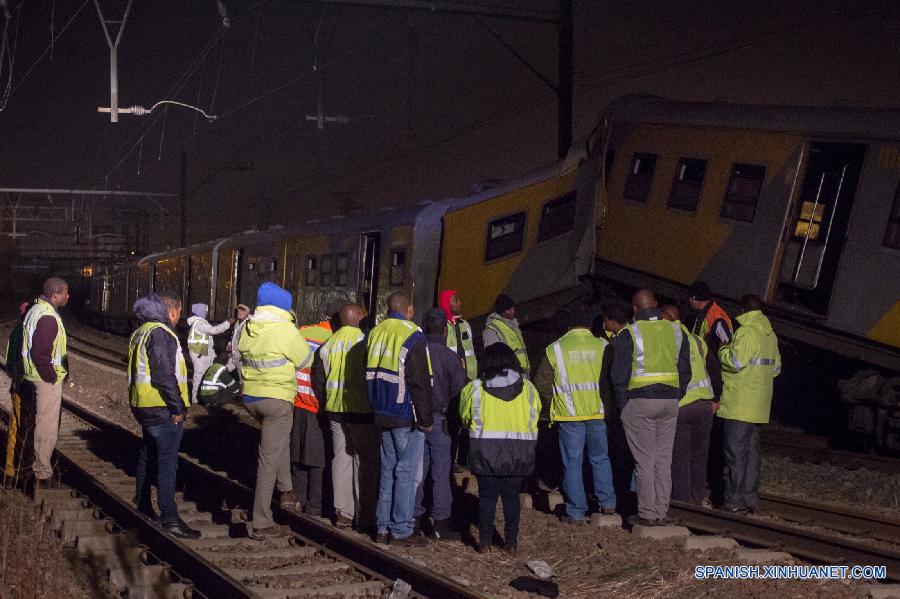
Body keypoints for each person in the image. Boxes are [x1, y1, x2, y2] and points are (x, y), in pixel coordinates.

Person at [238, 282, 312, 540]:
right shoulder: (286, 329)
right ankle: (261, 521)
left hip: (251, 398)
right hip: (277, 400)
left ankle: (286, 493)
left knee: (278, 442)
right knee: (267, 460)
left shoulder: (248, 326)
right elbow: (306, 359)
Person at [611, 289, 690, 526]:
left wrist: (623, 406)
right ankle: (661, 512)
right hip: (670, 401)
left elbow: (618, 376)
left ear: (635, 309)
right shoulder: (676, 331)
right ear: (656, 304)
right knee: (663, 459)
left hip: (640, 402)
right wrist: (677, 394)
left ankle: (646, 514)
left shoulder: (630, 333)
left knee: (644, 461)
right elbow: (685, 369)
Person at [128, 292, 200, 539]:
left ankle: (143, 504)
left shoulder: (141, 331)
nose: (178, 317)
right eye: (178, 312)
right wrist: (178, 408)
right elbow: (163, 376)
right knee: (167, 463)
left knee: (147, 454)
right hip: (161, 407)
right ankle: (169, 518)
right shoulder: (160, 333)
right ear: (171, 311)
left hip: (143, 404)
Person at [534, 308, 616, 523]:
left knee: (572, 462)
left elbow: (541, 383)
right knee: (600, 458)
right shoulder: (603, 345)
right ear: (588, 325)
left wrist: (554, 405)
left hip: (569, 416)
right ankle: (608, 504)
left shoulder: (556, 348)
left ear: (569, 326)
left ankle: (576, 511)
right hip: (597, 413)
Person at [367, 291, 434, 547]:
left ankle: (382, 528)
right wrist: (426, 419)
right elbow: (419, 382)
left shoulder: (375, 333)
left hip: (381, 412)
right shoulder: (413, 335)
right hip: (405, 414)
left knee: (387, 471)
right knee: (405, 472)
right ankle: (402, 530)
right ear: (409, 309)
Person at [459, 344, 538, 554]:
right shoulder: (529, 389)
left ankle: (484, 542)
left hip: (485, 452)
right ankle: (511, 543)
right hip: (519, 453)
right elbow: (535, 415)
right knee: (512, 498)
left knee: (486, 498)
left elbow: (465, 416)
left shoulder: (475, 389)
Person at [312, 304, 380, 530]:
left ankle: (343, 514)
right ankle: (365, 515)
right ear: (358, 317)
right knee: (364, 462)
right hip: (362, 412)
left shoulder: (327, 345)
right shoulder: (366, 341)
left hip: (334, 411)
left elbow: (318, 380)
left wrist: (325, 406)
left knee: (341, 459)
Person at [718, 294, 781, 514]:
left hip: (740, 404)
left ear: (743, 310)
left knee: (735, 454)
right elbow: (776, 369)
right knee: (752, 456)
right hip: (759, 406)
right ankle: (749, 499)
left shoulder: (746, 332)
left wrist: (723, 349)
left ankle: (734, 502)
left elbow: (735, 362)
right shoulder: (770, 335)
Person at [414, 308, 467, 539]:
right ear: (445, 331)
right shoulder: (450, 357)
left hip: (416, 419)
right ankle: (441, 522)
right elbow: (458, 392)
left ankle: (413, 517)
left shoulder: (415, 352)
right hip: (440, 420)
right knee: (442, 473)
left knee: (416, 471)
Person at [290, 301, 344, 517]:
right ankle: (314, 506)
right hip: (318, 405)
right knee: (319, 458)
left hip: (296, 400)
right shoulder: (334, 339)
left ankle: (297, 499)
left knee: (297, 454)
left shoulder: (303, 331)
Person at [661, 305, 714, 506]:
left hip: (683, 406)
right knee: (699, 456)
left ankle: (683, 502)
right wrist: (715, 398)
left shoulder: (667, 341)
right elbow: (713, 369)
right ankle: (697, 498)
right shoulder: (697, 340)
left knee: (680, 456)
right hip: (704, 405)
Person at [21, 277, 69, 489]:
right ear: (55, 295)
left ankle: (36, 467)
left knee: (40, 423)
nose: (68, 296)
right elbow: (40, 353)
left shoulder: (36, 310)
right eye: (65, 292)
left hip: (33, 376)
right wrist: (52, 377)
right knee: (46, 428)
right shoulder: (48, 316)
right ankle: (42, 473)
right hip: (45, 380)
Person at [4, 302, 31, 486]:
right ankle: (26, 471)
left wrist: (17, 378)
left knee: (15, 428)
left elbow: (9, 364)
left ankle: (11, 471)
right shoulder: (37, 331)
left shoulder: (16, 332)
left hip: (20, 387)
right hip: (33, 388)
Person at [187, 303, 233, 404]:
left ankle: (201, 397)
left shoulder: (199, 322)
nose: (206, 312)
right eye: (205, 310)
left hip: (201, 354)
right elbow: (214, 330)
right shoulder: (200, 323)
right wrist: (227, 323)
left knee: (202, 377)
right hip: (200, 355)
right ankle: (195, 399)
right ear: (200, 311)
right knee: (199, 377)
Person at [483, 294, 530, 376]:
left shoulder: (514, 326)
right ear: (502, 311)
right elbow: (493, 359)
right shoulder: (492, 330)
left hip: (523, 374)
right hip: (510, 376)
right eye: (509, 309)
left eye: (513, 308)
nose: (513, 311)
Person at [439, 290, 477, 381]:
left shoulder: (465, 325)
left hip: (469, 377)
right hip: (451, 379)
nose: (460, 302)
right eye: (456, 300)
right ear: (447, 303)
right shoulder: (441, 326)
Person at [226, 303, 251, 374]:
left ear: (247, 313)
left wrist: (243, 355)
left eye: (242, 311)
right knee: (226, 372)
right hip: (234, 355)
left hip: (241, 357)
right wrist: (230, 343)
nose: (239, 312)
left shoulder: (249, 324)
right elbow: (235, 336)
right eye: (239, 310)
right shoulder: (237, 322)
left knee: (242, 376)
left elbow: (248, 342)